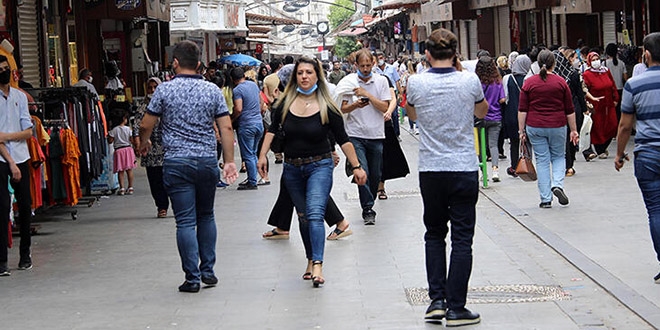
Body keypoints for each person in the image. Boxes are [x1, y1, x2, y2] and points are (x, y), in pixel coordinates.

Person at [257, 56, 366, 288]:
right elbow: (272, 131)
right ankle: (310, 258)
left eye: (309, 72)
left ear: (317, 75)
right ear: (295, 77)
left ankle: (317, 264)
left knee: (315, 213)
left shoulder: (328, 106)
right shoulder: (284, 105)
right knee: (304, 217)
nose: (304, 76)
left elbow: (343, 139)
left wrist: (356, 166)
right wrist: (261, 156)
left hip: (320, 165)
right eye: (300, 73)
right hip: (292, 168)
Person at [138, 40, 238, 293]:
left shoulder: (164, 91)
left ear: (175, 63)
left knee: (184, 222)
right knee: (207, 215)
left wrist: (144, 143)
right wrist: (228, 161)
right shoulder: (212, 90)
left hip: (176, 162)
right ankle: (208, 270)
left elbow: (145, 124)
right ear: (200, 64)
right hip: (205, 161)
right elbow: (226, 127)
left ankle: (192, 278)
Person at [405, 28, 488, 326]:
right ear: (455, 54)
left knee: (434, 234)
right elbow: (482, 110)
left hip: (431, 170)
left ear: (426, 54)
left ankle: (436, 301)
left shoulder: (416, 82)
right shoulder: (469, 80)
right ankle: (457, 307)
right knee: (463, 239)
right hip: (464, 167)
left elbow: (412, 116)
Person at [614, 32, 660, 284]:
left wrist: (619, 154)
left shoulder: (634, 84)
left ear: (647, 55)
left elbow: (624, 125)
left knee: (655, 209)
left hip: (648, 154)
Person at [518, 49, 579, 208]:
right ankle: (557, 184)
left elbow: (522, 109)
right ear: (555, 63)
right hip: (558, 125)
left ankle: (545, 199)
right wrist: (574, 130)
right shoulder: (560, 82)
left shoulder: (529, 83)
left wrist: (521, 131)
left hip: (535, 126)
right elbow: (569, 109)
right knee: (559, 156)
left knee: (542, 160)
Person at [341, 49, 391, 225]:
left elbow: (385, 107)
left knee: (376, 174)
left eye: (368, 65)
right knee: (363, 172)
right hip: (355, 134)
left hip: (376, 134)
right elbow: (342, 108)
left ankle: (370, 198)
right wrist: (355, 105)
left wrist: (368, 95)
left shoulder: (381, 81)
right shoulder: (348, 83)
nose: (365, 69)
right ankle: (368, 208)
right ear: (356, 65)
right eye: (362, 66)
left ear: (374, 63)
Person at [0, 55, 34, 276]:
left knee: (25, 206)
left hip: (22, 157)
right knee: (2, 209)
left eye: (5, 68)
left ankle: (25, 254)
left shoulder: (20, 97)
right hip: (3, 160)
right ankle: (2, 260)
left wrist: (7, 136)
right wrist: (11, 162)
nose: (3, 71)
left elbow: (29, 131)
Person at [133, 77, 169, 217]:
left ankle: (178, 206)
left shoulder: (167, 103)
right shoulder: (143, 106)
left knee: (171, 179)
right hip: (150, 150)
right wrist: (138, 142)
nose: (152, 90)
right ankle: (162, 207)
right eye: (150, 88)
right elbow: (136, 125)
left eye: (155, 87)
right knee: (155, 181)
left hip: (167, 149)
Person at [231, 67, 264, 190]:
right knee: (254, 152)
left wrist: (232, 118)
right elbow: (261, 102)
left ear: (232, 79)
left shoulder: (237, 90)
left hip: (247, 125)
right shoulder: (253, 85)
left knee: (248, 154)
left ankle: (252, 181)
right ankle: (253, 177)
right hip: (258, 123)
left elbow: (238, 108)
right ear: (243, 76)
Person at [556, 48, 588, 177]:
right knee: (572, 136)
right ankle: (570, 164)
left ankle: (567, 164)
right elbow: (580, 94)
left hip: (561, 109)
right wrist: (584, 108)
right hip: (574, 109)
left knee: (564, 137)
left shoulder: (555, 76)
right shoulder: (573, 74)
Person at [583, 52, 619, 159]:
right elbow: (585, 90)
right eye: (593, 60)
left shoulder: (605, 71)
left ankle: (604, 146)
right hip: (596, 105)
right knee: (598, 128)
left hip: (609, 104)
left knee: (613, 125)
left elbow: (612, 85)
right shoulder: (587, 74)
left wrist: (616, 98)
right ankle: (600, 149)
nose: (596, 61)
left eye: (597, 59)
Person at [475, 56, 506, 182]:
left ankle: (484, 173)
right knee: (493, 145)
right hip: (495, 116)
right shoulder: (498, 81)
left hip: (480, 117)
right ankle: (495, 170)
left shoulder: (477, 82)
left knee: (481, 147)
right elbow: (502, 99)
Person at [502, 55, 531, 177]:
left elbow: (505, 98)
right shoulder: (530, 79)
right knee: (528, 141)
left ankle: (514, 166)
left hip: (511, 114)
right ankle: (528, 165)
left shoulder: (507, 78)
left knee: (514, 142)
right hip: (527, 114)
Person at [109, 110, 136, 196]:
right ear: (124, 119)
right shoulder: (128, 129)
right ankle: (130, 187)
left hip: (118, 151)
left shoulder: (114, 130)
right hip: (128, 150)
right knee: (129, 170)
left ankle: (122, 189)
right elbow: (132, 140)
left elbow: (110, 141)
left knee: (120, 171)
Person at [604, 43, 628, 122]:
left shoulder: (604, 64)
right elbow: (625, 77)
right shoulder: (621, 63)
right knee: (619, 110)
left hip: (609, 90)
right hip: (620, 89)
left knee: (611, 110)